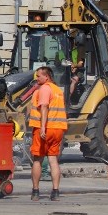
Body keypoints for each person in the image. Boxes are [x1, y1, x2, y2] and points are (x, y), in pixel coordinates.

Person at [29, 66, 68, 201]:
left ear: (47, 77)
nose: (37, 78)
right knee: (53, 160)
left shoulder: (45, 88)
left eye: (39, 76)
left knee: (38, 159)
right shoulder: (58, 90)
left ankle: (35, 191)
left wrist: (43, 128)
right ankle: (56, 192)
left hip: (45, 128)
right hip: (58, 128)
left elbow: (44, 107)